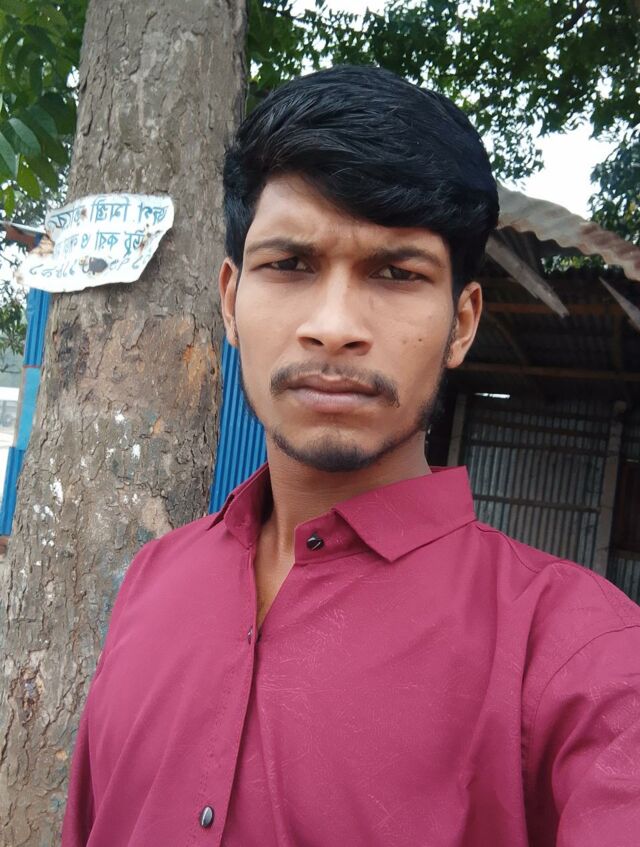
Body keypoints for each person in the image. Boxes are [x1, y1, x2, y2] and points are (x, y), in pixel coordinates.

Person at [62, 65, 640, 847]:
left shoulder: (579, 652)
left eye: (397, 273)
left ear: (462, 323)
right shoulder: (152, 579)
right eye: (290, 265)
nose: (333, 326)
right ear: (230, 300)